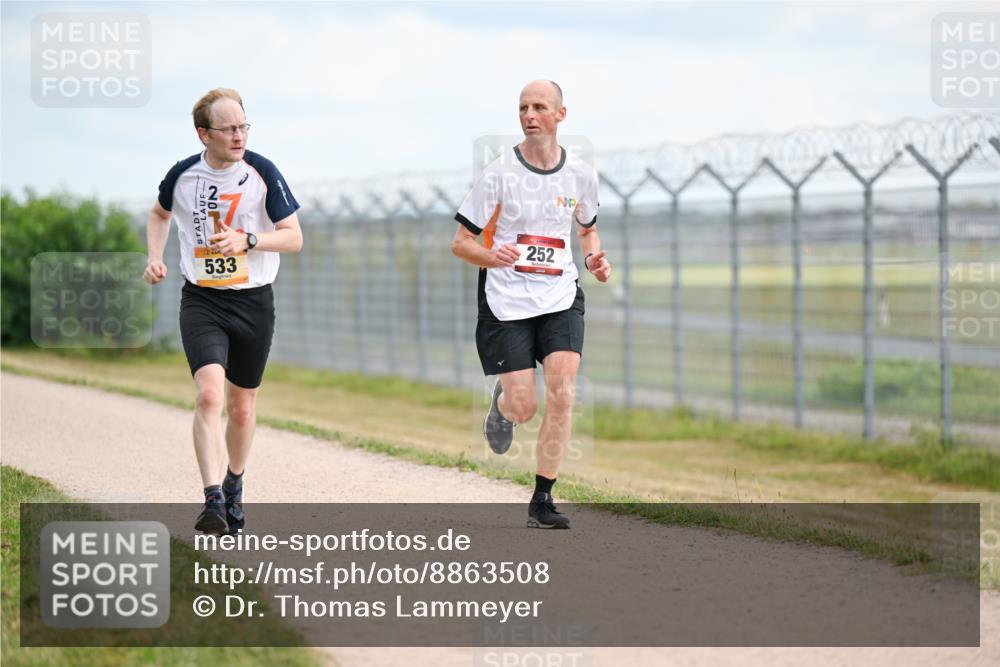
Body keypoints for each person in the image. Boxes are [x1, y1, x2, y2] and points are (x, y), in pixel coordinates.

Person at [451, 80, 612, 529]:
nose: (529, 114)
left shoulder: (581, 174)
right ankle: (504, 404)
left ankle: (542, 500)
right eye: (523, 107)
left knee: (563, 392)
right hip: (506, 301)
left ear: (561, 115)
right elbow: (460, 243)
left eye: (539, 106)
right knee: (525, 407)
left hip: (560, 295)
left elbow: (586, 229)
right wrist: (490, 255)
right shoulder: (499, 174)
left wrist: (595, 257)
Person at [143, 88, 303, 535]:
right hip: (203, 300)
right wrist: (154, 256)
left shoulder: (262, 172)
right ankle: (212, 499)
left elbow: (294, 237)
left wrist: (251, 240)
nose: (238, 136)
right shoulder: (183, 175)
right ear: (203, 134)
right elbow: (158, 215)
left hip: (253, 301)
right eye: (228, 129)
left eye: (243, 126)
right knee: (209, 396)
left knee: (241, 408)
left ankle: (234, 481)